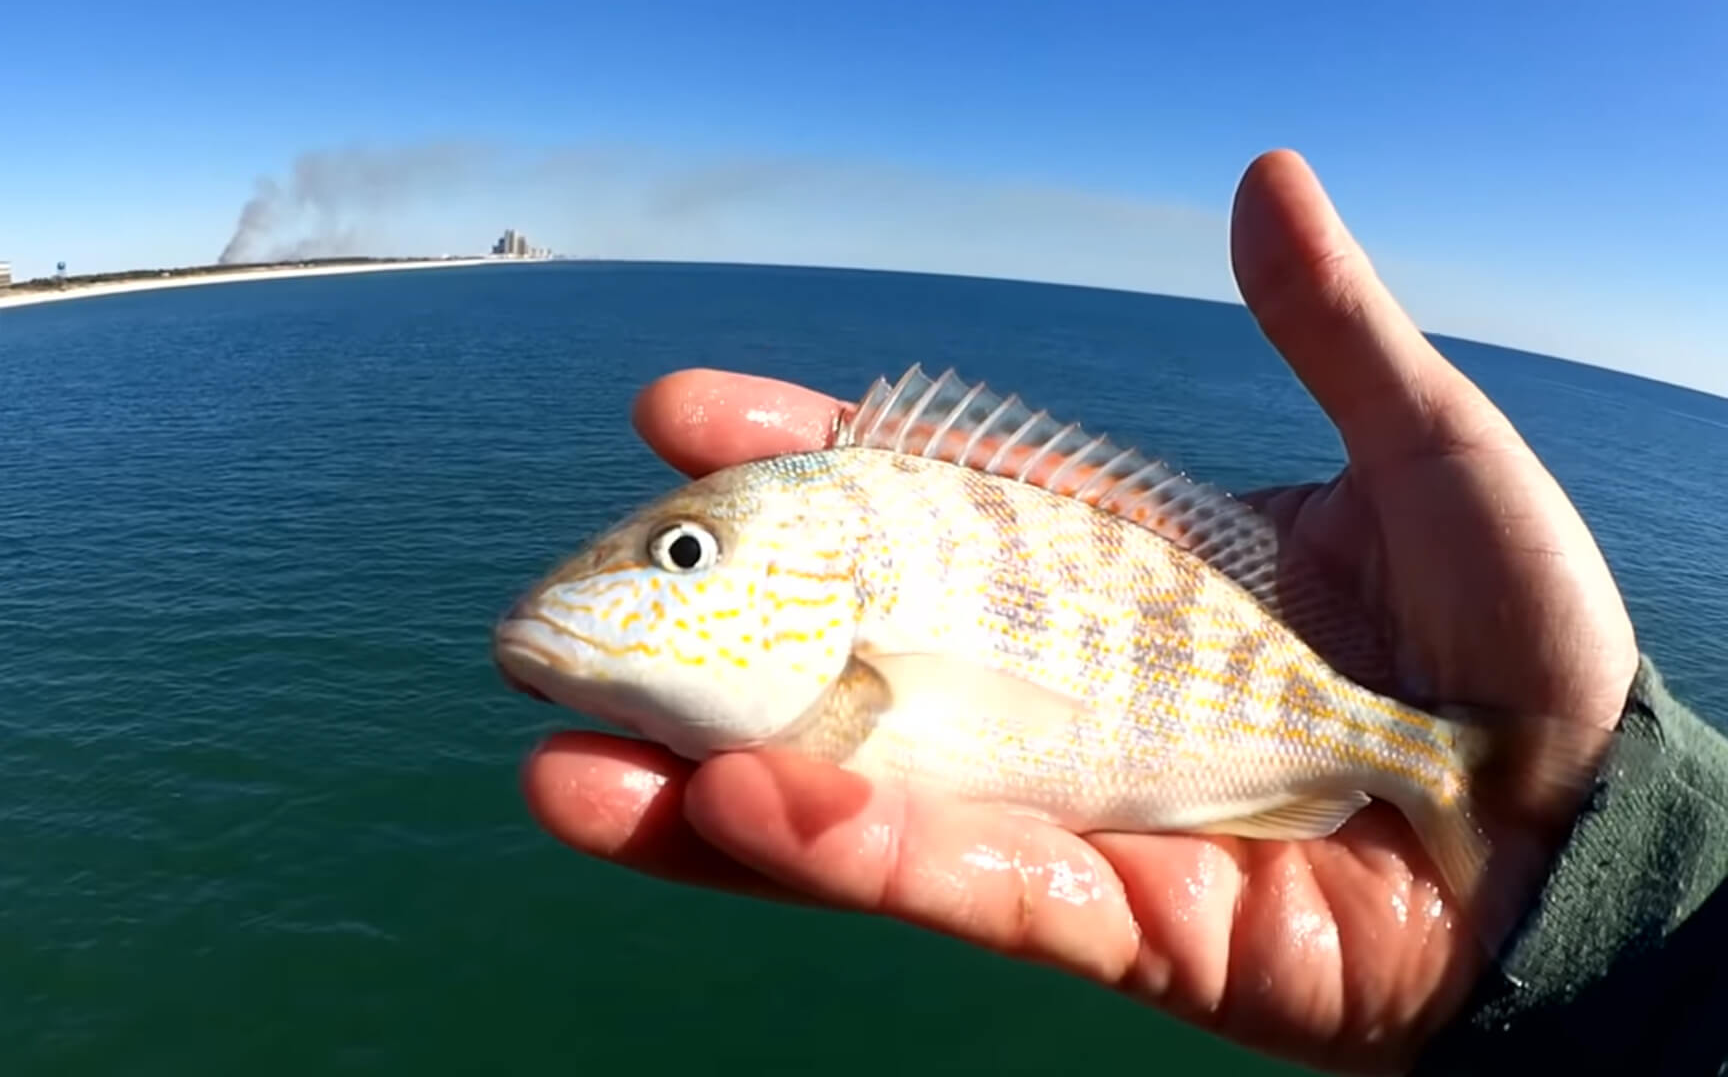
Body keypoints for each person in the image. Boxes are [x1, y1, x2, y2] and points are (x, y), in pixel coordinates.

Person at [517, 149, 1728, 1075]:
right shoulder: (801, 655)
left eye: (685, 552)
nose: (641, 580)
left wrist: (1578, 878)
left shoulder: (843, 622)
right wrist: (1606, 926)